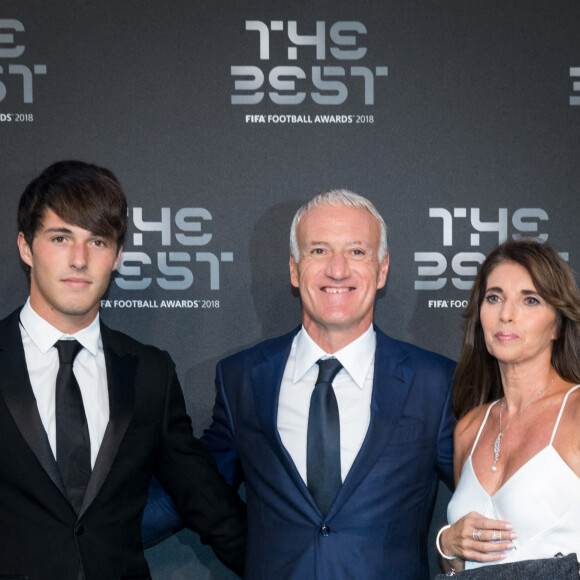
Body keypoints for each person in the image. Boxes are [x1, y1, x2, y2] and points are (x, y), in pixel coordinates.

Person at [146, 189, 457, 578]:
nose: (338, 270)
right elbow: (196, 490)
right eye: (319, 251)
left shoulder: (435, 382)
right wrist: (80, 530)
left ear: (382, 269)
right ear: (295, 270)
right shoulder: (242, 377)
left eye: (357, 252)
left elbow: (484, 493)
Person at [0, 160, 246, 580]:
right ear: (26, 247)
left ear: (116, 256)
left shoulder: (150, 372)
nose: (79, 260)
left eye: (97, 241)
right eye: (61, 238)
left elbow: (204, 499)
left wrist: (297, 567)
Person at [436, 239, 580, 573]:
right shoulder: (469, 428)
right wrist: (447, 544)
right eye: (494, 297)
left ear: (557, 323)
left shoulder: (575, 412)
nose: (506, 315)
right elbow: (459, 569)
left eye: (529, 300)